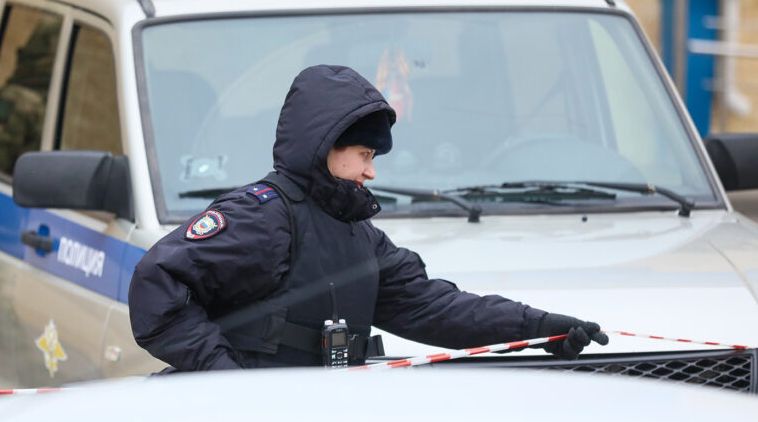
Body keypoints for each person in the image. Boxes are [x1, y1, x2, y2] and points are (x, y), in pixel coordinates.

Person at [128, 64, 608, 371]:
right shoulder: (261, 218)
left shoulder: (359, 234)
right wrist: (226, 382)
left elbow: (435, 308)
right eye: (363, 154)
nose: (371, 171)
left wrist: (538, 328)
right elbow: (157, 287)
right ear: (325, 147)